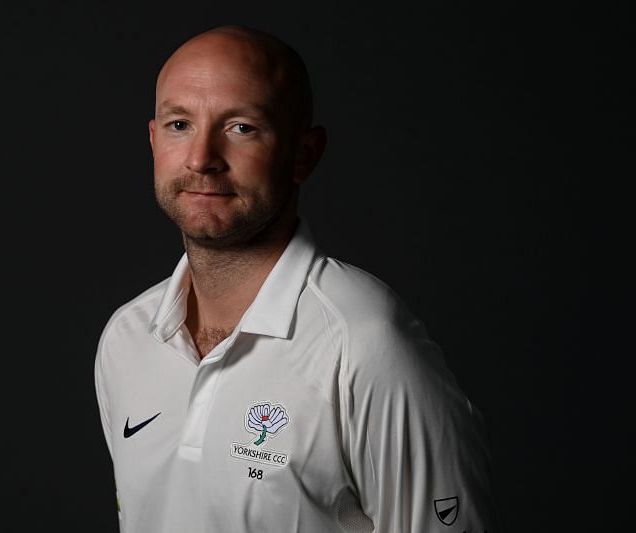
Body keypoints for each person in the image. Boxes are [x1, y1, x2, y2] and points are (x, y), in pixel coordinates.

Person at [94, 25, 498, 533]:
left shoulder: (365, 345)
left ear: (304, 154)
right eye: (179, 124)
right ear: (153, 141)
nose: (201, 159)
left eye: (241, 127)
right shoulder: (127, 340)